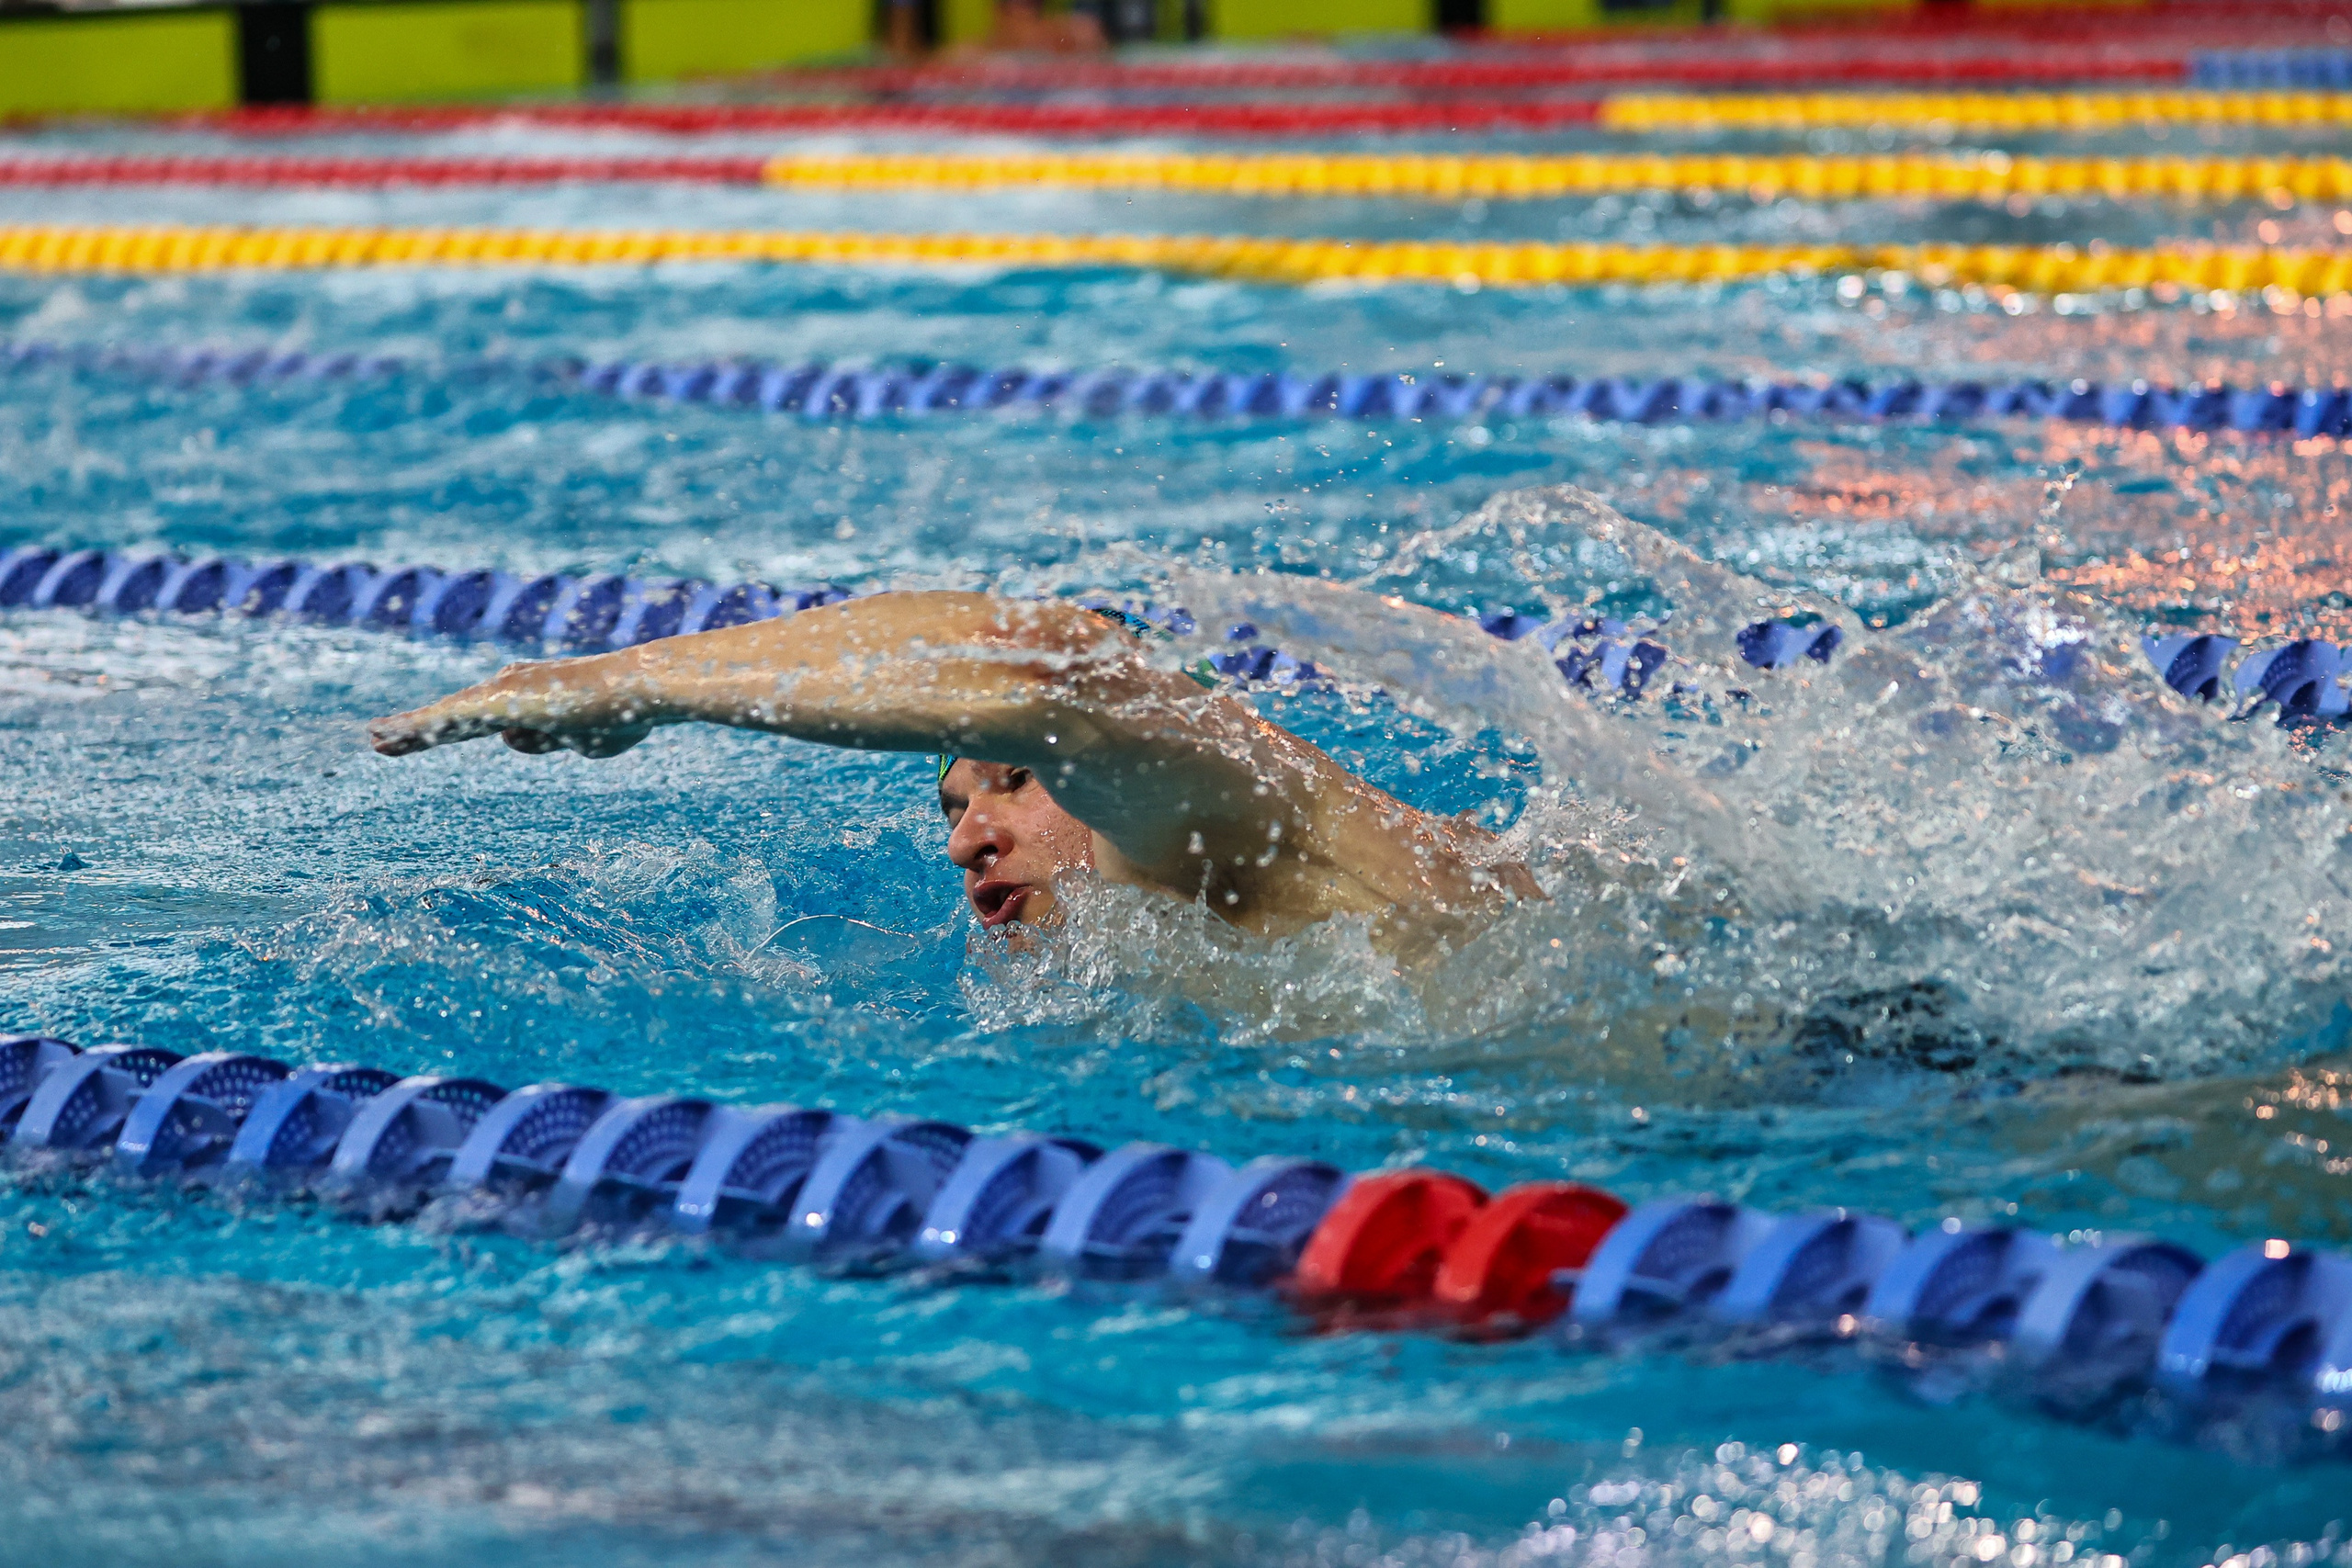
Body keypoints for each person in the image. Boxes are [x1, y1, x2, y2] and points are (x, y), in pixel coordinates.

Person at [368, 592, 1539, 964]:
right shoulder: (1161, 918)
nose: (965, 841)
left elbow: (1042, 664)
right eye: (953, 805)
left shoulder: (1220, 811)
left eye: (1013, 784)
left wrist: (637, 690)